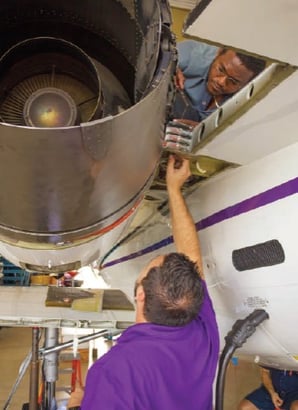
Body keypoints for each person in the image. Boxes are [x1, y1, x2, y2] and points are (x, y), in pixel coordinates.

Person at [68, 155, 220, 410]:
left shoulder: (113, 372)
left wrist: (76, 404)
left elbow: (192, 260)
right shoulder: (200, 333)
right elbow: (191, 257)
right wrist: (174, 189)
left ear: (141, 296)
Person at [171, 39, 266, 123]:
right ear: (219, 53)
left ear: (246, 85)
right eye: (221, 69)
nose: (221, 82)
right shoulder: (194, 52)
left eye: (233, 82)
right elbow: (162, 59)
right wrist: (170, 68)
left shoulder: (247, 102)